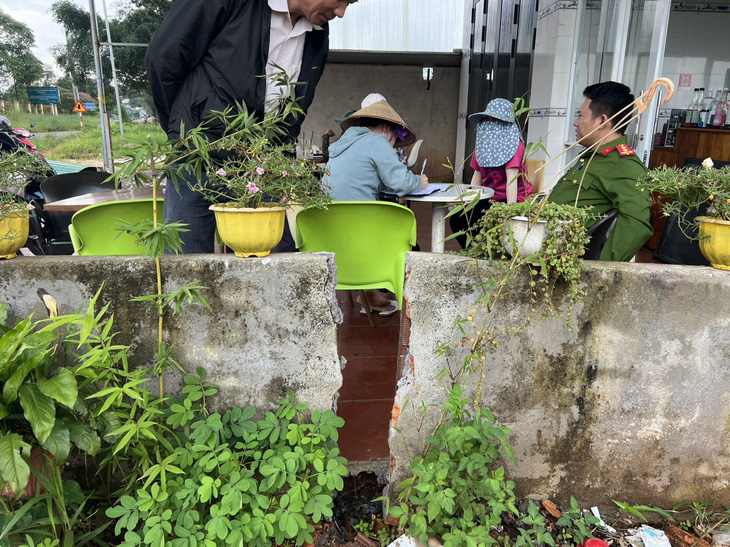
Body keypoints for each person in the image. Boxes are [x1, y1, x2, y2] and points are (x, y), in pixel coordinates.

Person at [145, 0, 357, 254]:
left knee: (274, 267)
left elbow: (297, 108)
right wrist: (183, 131)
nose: (341, 13)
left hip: (259, 167)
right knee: (184, 265)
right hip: (197, 159)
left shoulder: (318, 35)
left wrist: (282, 166)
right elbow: (164, 59)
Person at [323, 98, 427, 315]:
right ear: (387, 129)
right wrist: (420, 181)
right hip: (364, 239)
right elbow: (401, 183)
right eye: (395, 139)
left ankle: (369, 293)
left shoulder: (339, 147)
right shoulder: (377, 142)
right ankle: (411, 304)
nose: (393, 146)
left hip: (331, 237)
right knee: (409, 239)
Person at [547, 81, 652, 262]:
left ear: (602, 121)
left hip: (559, 260)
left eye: (580, 116)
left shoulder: (622, 164)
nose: (575, 122)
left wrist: (602, 270)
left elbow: (637, 223)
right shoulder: (593, 157)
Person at [450, 98, 531, 249]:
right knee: (458, 218)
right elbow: (477, 175)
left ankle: (484, 252)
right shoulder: (483, 144)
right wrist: (469, 201)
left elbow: (512, 180)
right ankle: (471, 250)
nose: (489, 123)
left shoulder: (515, 146)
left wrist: (509, 212)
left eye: (494, 120)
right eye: (486, 119)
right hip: (490, 197)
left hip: (511, 198)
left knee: (480, 219)